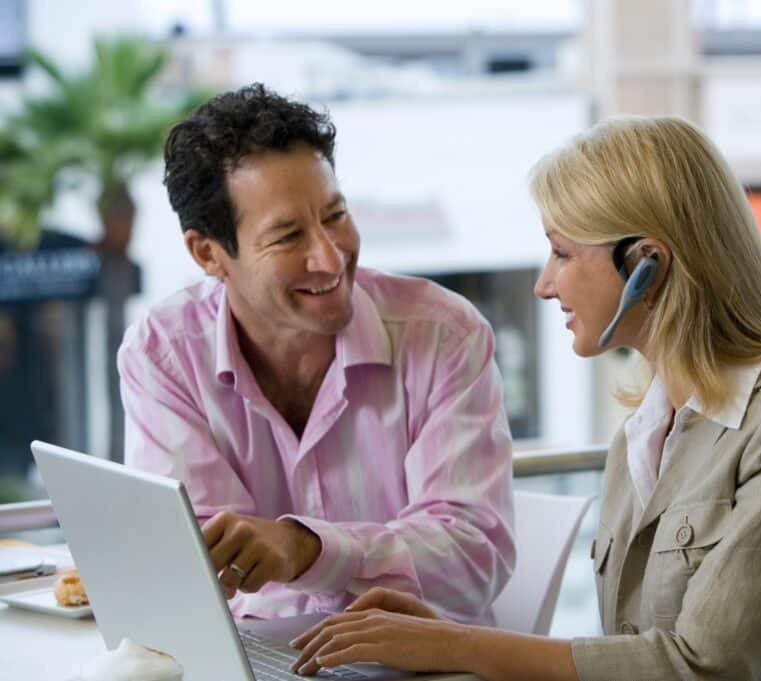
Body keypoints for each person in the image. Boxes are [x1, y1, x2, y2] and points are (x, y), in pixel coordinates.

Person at [287, 116, 761, 681]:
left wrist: (463, 646)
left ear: (647, 265)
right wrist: (438, 637)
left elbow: (702, 666)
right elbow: (638, 658)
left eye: (561, 253)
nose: (545, 285)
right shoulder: (645, 430)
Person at [116, 83, 515, 623]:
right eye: (287, 237)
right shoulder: (162, 354)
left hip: (423, 669)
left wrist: (306, 550)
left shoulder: (445, 334)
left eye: (335, 216)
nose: (330, 258)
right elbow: (199, 571)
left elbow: (471, 559)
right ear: (208, 253)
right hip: (254, 664)